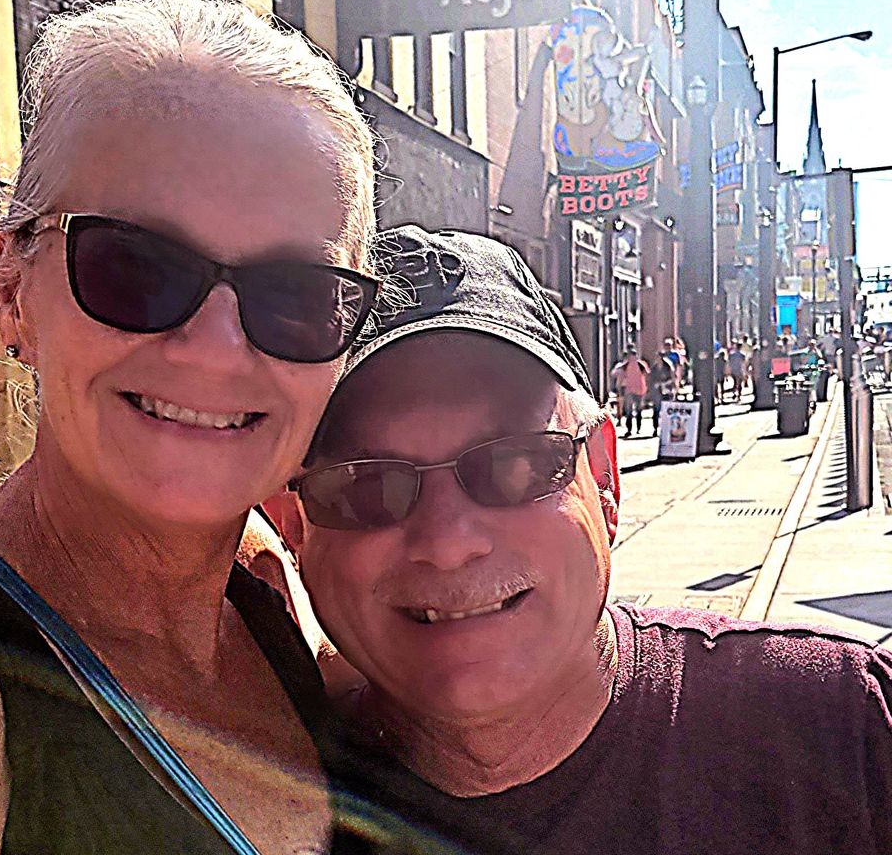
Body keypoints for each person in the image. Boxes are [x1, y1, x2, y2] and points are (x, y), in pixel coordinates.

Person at [0, 0, 382, 853]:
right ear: (11, 289)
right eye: (134, 266)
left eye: (294, 292)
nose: (215, 347)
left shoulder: (268, 603)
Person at [272, 226, 892, 855]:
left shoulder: (845, 734)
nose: (449, 541)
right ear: (292, 525)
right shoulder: (245, 793)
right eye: (367, 487)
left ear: (603, 477)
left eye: (517, 464)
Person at [620, 345, 650, 437]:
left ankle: (638, 429)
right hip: (630, 390)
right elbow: (621, 376)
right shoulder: (625, 365)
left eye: (632, 355)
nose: (631, 357)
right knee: (629, 411)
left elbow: (647, 375)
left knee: (638, 410)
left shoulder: (641, 365)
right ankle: (629, 430)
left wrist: (647, 387)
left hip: (640, 390)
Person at [648, 351, 675, 434]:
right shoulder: (654, 368)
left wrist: (663, 384)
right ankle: (655, 428)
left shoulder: (668, 366)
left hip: (667, 391)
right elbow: (651, 379)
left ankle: (666, 429)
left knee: (666, 411)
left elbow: (672, 378)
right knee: (656, 410)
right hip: (657, 392)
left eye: (658, 357)